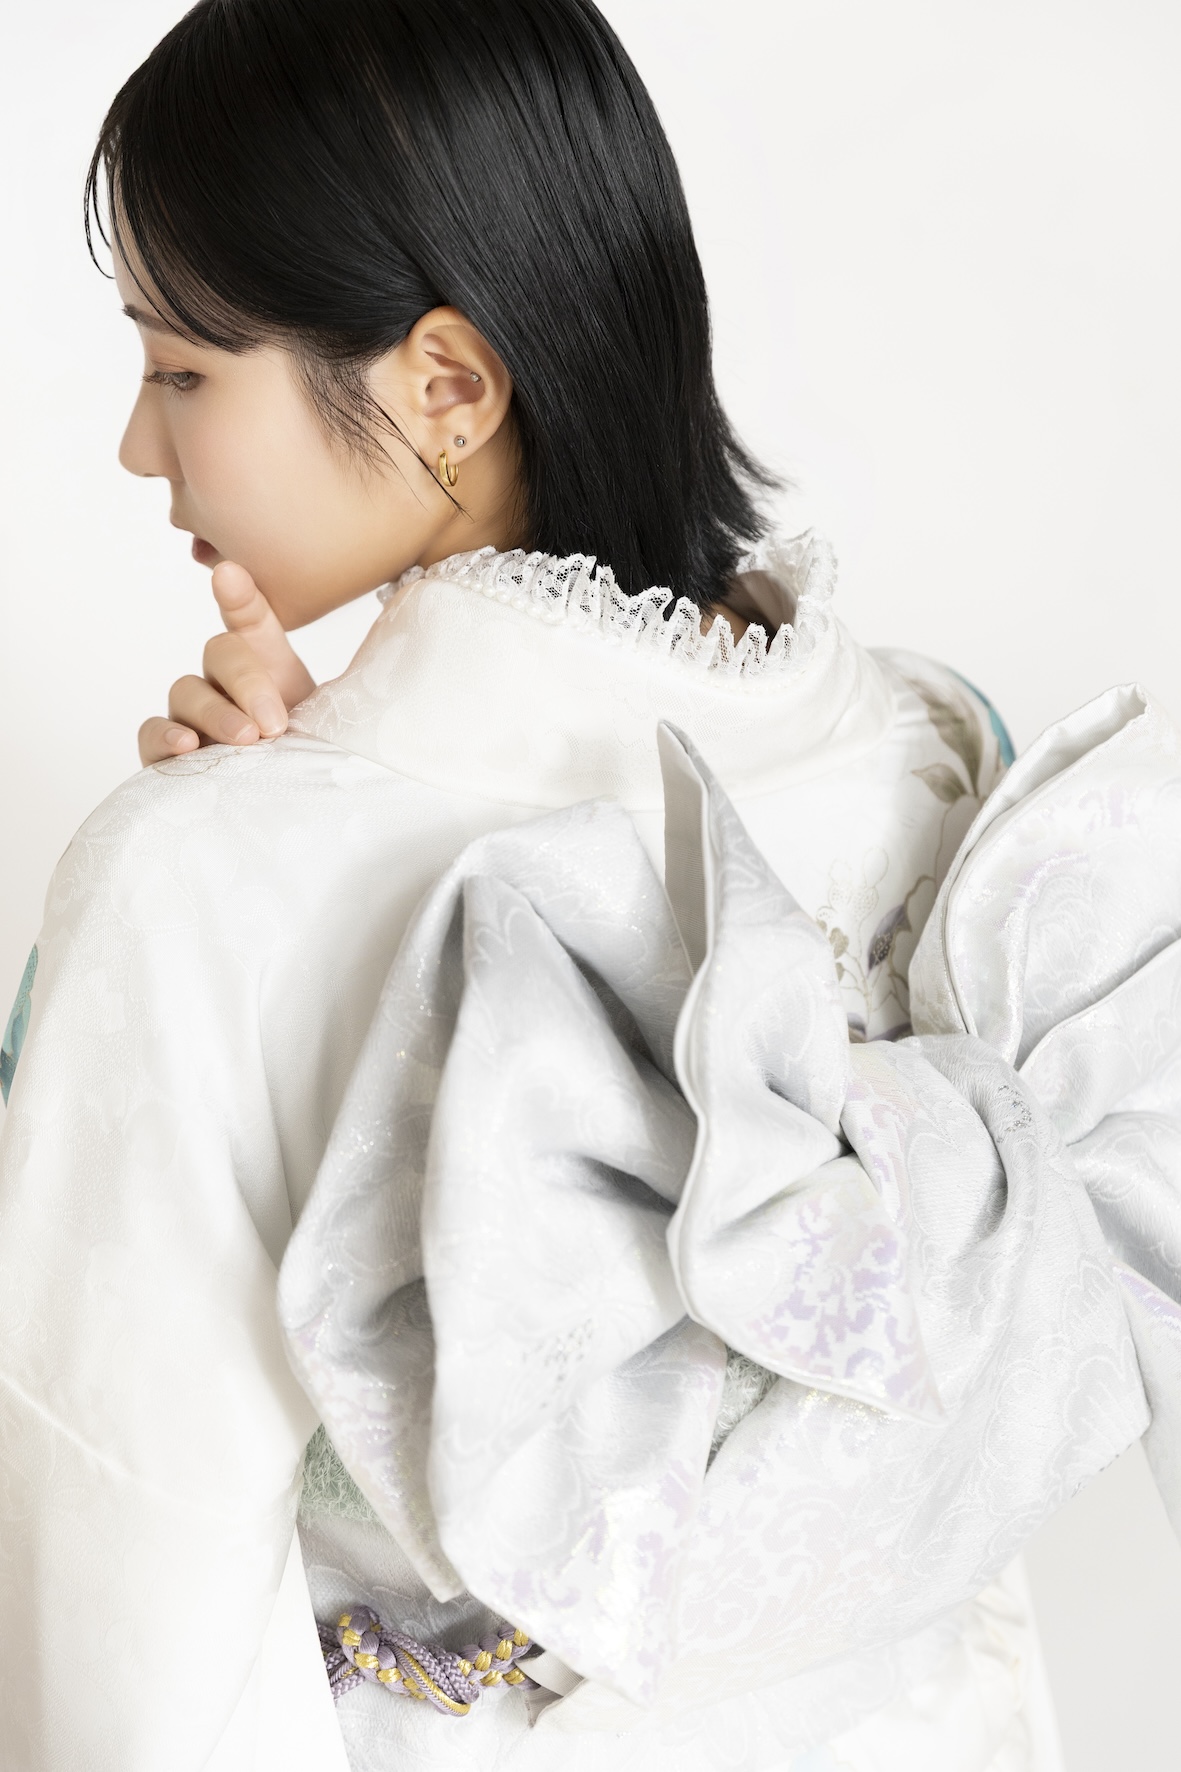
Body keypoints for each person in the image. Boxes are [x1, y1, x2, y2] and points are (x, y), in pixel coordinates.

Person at [3, 2, 1179, 1769]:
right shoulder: (949, 763)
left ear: (447, 386)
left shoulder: (201, 891)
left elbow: (124, 1642)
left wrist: (219, 866)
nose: (137, 447)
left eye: (181, 373)